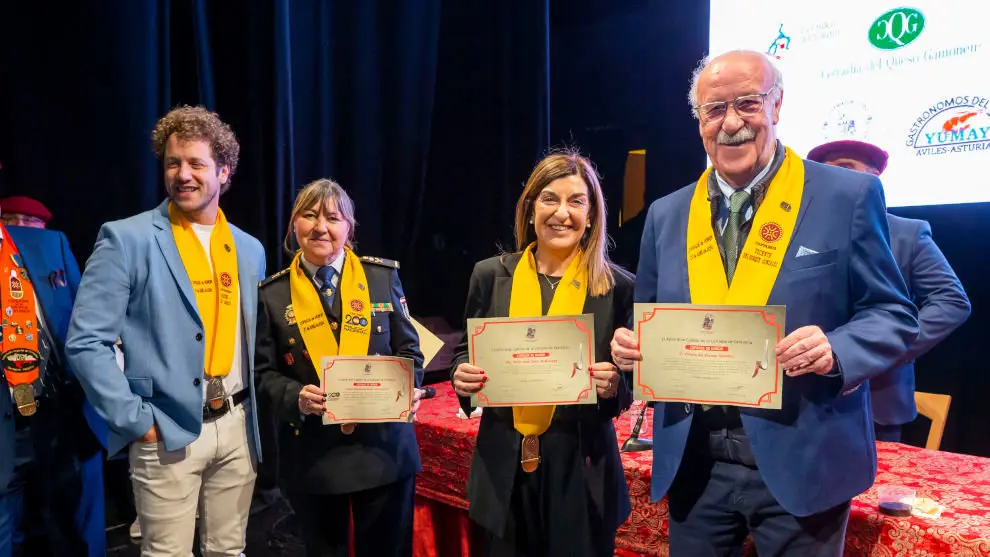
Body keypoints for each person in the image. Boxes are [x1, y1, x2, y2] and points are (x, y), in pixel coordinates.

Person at [610, 50, 919, 556]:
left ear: (777, 106)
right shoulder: (666, 214)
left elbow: (894, 315)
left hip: (804, 464)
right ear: (699, 123)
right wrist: (629, 352)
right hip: (695, 465)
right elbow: (643, 324)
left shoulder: (847, 196)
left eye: (748, 104)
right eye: (715, 110)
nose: (732, 123)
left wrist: (837, 349)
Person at [66, 105, 266, 556]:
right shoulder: (127, 238)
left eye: (196, 163)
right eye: (173, 162)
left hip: (237, 426)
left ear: (224, 171)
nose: (183, 174)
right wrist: (138, 422)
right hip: (166, 429)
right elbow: (85, 342)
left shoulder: (250, 250)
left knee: (228, 552)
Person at [451, 151, 634, 556]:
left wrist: (614, 385)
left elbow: (634, 377)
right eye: (550, 199)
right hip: (503, 469)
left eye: (576, 201)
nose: (562, 213)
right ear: (530, 207)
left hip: (581, 467)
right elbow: (466, 350)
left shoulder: (619, 287)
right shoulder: (490, 274)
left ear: (592, 214)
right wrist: (460, 376)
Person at [254, 178, 424, 557]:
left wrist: (409, 387)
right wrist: (295, 396)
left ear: (349, 227)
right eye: (309, 215)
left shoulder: (381, 278)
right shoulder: (271, 295)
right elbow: (262, 374)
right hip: (314, 459)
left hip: (385, 451)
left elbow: (411, 352)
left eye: (333, 217)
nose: (320, 227)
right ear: (293, 225)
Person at [807, 139, 971, 442]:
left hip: (876, 404)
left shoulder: (906, 234)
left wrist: (886, 345)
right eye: (824, 172)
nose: (834, 179)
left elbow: (951, 300)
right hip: (803, 402)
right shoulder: (800, 235)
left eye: (845, 169)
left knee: (874, 490)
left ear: (874, 178)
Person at [0, 206, 106, 556]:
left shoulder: (51, 246)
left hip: (60, 400)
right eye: (11, 221)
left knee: (72, 506)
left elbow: (82, 320)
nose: (21, 230)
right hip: (8, 413)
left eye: (29, 223)